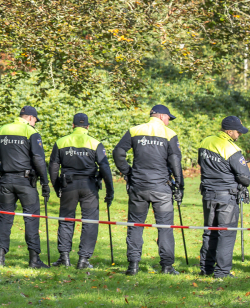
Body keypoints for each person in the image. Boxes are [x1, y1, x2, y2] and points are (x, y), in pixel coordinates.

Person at [113, 104, 183, 275]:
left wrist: (128, 172)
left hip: (138, 187)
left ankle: (133, 266)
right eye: (168, 118)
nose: (168, 122)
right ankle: (166, 267)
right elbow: (175, 161)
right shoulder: (169, 134)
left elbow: (118, 152)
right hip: (161, 188)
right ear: (161, 117)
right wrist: (180, 184)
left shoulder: (135, 130)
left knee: (135, 225)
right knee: (165, 227)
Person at [48, 113, 114, 269]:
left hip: (68, 186)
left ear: (73, 126)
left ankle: (64, 258)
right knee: (90, 222)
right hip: (89, 186)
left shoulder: (61, 142)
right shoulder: (95, 143)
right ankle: (83, 259)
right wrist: (110, 191)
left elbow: (52, 168)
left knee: (66, 220)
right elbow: (104, 167)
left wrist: (57, 187)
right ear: (88, 127)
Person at [0, 105, 50, 268]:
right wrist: (45, 182)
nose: (35, 123)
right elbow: (38, 159)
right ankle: (34, 260)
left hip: (6, 181)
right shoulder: (31, 132)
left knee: (4, 219)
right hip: (26, 183)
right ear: (30, 118)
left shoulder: (2, 130)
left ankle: (0, 259)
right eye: (35, 120)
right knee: (31, 219)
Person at [197, 116, 250, 279]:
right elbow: (245, 178)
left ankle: (206, 269)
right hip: (227, 197)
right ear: (228, 131)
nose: (239, 135)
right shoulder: (231, 149)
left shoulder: (205, 142)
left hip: (208, 195)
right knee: (226, 234)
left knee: (209, 232)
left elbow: (202, 163)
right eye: (237, 132)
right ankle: (222, 272)